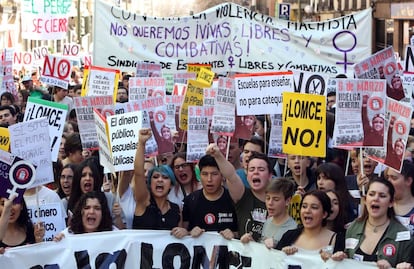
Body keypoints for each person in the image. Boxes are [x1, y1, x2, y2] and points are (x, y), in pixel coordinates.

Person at [332, 178, 414, 268]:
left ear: (391, 203)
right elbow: (349, 258)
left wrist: (391, 267)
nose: (376, 198)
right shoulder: (353, 228)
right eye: (371, 194)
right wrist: (343, 257)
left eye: (382, 196)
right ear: (365, 200)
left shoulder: (404, 235)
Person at [206, 144, 272, 241]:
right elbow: (231, 176)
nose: (256, 172)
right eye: (251, 169)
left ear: (270, 175)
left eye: (261, 169)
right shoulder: (243, 195)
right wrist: (218, 155)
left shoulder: (278, 201)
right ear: (247, 175)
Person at [172, 154, 238, 239]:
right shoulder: (190, 201)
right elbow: (183, 231)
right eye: (205, 174)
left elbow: (243, 232)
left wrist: (233, 234)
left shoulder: (233, 199)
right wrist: (188, 233)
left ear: (222, 175)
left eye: (214, 174)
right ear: (200, 175)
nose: (209, 179)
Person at [132, 128, 181, 230]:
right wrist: (141, 143)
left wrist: (183, 232)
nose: (160, 180)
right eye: (155, 177)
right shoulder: (143, 201)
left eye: (165, 177)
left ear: (171, 184)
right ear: (150, 183)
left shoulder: (177, 210)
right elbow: (139, 174)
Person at [276, 190, 345, 261]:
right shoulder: (289, 235)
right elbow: (274, 262)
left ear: (324, 214)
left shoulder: (337, 240)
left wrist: (335, 260)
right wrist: (281, 254)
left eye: (314, 207)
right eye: (304, 206)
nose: (307, 211)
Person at [67, 158, 123, 229]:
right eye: (83, 175)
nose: (87, 178)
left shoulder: (108, 198)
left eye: (91, 175)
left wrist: (118, 216)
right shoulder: (68, 202)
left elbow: (122, 233)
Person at [250, 178, 297, 248]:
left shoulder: (293, 228)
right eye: (268, 198)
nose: (270, 203)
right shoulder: (268, 222)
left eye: (276, 199)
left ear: (287, 201)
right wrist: (251, 242)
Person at [386, 160, 414, 234]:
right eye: (387, 177)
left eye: (393, 178)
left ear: (408, 181)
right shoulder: (383, 206)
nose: (388, 182)